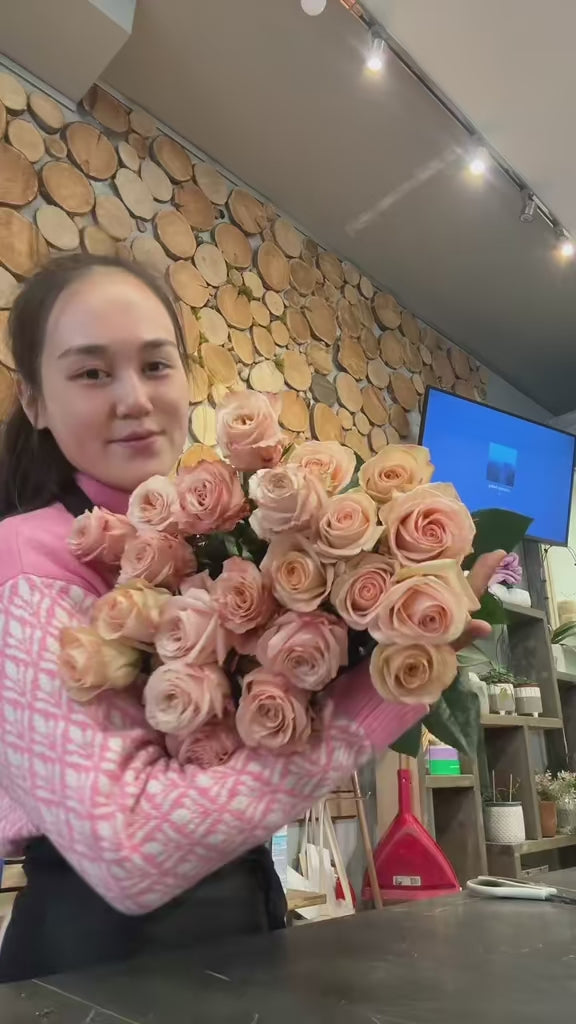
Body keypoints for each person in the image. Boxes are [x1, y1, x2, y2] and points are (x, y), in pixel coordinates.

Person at [0, 254, 502, 982]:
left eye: (155, 365)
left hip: (242, 925)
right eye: (91, 373)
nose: (134, 398)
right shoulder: (24, 568)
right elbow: (129, 850)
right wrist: (378, 699)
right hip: (97, 965)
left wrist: (404, 625)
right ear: (35, 400)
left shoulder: (207, 546)